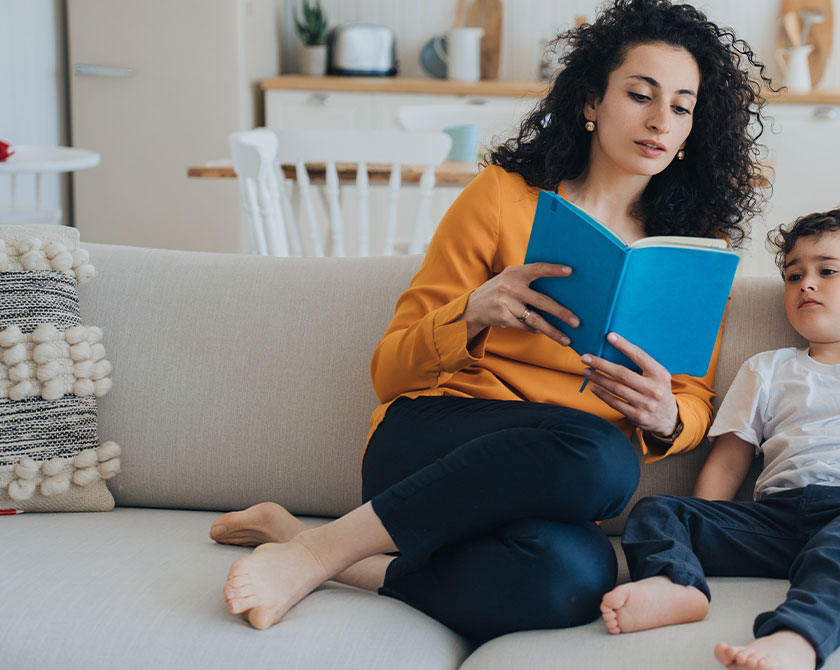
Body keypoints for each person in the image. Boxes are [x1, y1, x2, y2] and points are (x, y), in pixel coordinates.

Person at [209, 0, 771, 640]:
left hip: (552, 478)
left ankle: (308, 544)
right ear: (591, 102)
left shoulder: (692, 248)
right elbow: (388, 372)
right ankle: (318, 553)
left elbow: (694, 394)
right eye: (640, 95)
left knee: (575, 578)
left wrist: (668, 419)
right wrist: (471, 313)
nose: (659, 121)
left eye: (680, 106)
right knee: (606, 459)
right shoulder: (502, 196)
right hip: (433, 440)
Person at [599, 208, 840, 670]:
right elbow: (728, 461)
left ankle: (796, 639)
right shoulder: (767, 368)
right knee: (659, 510)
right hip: (780, 518)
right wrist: (710, 524)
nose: (806, 283)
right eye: (793, 274)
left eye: (827, 271)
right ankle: (677, 585)